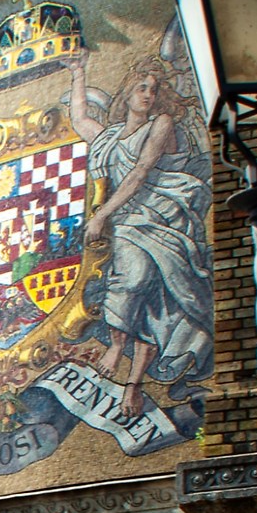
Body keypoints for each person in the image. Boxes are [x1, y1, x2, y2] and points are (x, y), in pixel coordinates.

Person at [81, 59, 214, 420]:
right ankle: (134, 381)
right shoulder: (109, 136)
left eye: (154, 89)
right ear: (127, 92)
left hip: (161, 214)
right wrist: (78, 70)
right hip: (125, 219)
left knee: (137, 277)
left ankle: (118, 349)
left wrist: (103, 214)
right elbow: (80, 120)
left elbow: (140, 171)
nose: (149, 95)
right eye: (142, 87)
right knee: (149, 306)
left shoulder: (162, 123)